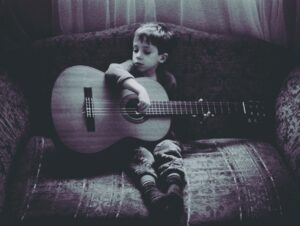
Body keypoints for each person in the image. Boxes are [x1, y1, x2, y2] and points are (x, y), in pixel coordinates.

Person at [105, 23, 186, 225]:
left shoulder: (168, 81)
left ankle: (174, 191)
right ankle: (152, 193)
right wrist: (139, 90)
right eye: (135, 49)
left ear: (162, 57)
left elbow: (168, 117)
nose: (138, 56)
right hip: (132, 138)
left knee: (170, 149)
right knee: (138, 156)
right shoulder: (130, 68)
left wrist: (194, 113)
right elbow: (112, 70)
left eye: (146, 51)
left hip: (160, 135)